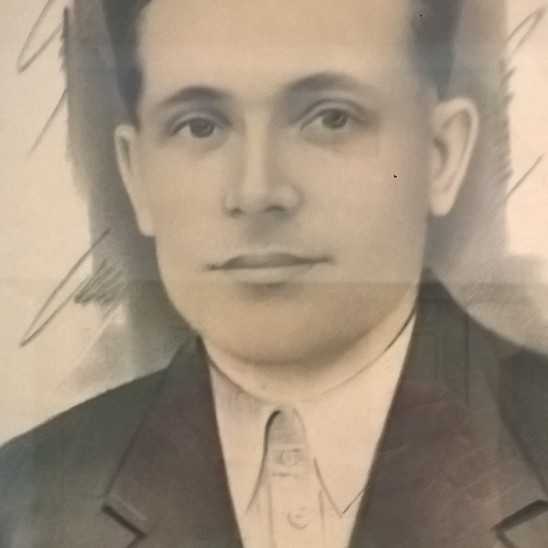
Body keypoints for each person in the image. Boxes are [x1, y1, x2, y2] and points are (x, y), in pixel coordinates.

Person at [1, 0, 547, 546]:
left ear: (441, 155)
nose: (256, 190)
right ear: (136, 173)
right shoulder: (22, 503)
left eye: (331, 118)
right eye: (199, 126)